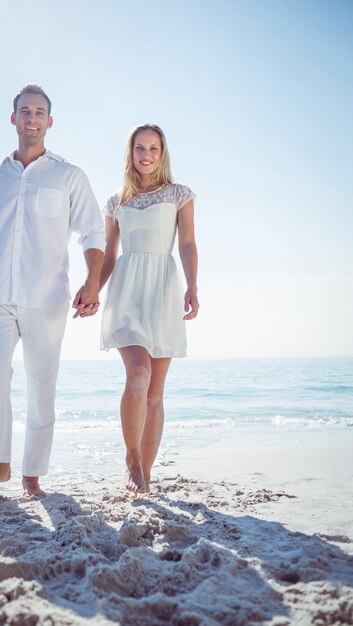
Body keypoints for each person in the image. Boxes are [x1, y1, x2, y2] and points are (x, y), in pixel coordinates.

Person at [0, 84, 105, 498]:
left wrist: (92, 281)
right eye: (25, 111)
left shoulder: (69, 176)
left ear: (50, 121)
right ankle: (0, 464)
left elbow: (93, 230)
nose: (32, 118)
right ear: (13, 119)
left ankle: (32, 474)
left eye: (40, 112)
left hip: (47, 298)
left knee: (41, 385)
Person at [99, 124, 199, 494]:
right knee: (138, 375)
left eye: (154, 149)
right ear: (131, 152)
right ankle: (131, 459)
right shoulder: (116, 201)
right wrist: (93, 285)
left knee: (155, 392)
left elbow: (187, 243)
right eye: (140, 148)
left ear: (163, 152)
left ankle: (145, 474)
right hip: (127, 291)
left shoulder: (179, 194)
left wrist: (192, 286)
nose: (147, 155)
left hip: (162, 291)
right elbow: (109, 253)